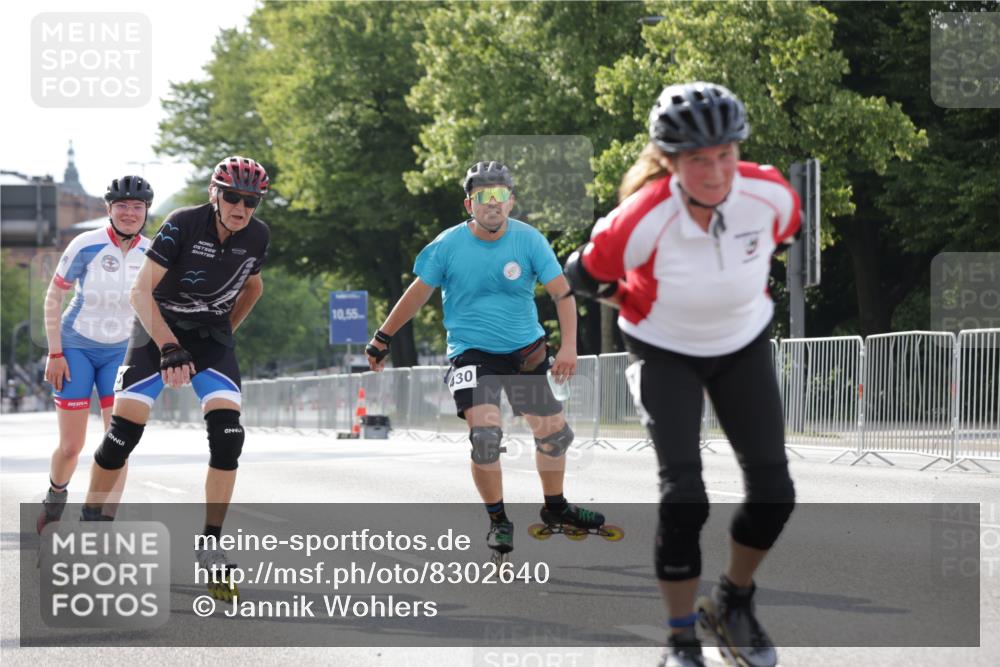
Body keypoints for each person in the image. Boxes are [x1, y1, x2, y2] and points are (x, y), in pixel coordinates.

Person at [563, 82, 800, 667]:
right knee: (685, 495)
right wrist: (636, 306)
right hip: (663, 349)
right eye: (698, 160)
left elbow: (785, 238)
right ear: (669, 161)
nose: (716, 172)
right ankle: (679, 642)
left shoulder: (770, 193)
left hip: (742, 344)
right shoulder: (641, 218)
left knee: (775, 492)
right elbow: (583, 274)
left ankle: (731, 602)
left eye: (726, 155)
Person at [366, 161, 607, 560]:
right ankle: (498, 520)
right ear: (469, 204)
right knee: (485, 436)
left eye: (500, 195)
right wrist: (382, 337)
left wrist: (569, 347)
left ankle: (556, 507)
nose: (492, 203)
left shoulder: (530, 241)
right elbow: (417, 294)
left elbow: (563, 294)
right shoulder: (446, 246)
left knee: (553, 432)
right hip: (472, 354)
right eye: (483, 196)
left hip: (525, 352)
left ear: (511, 201)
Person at [79, 156, 270, 585]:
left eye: (251, 201)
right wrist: (168, 345)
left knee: (228, 437)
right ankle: (91, 526)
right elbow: (139, 291)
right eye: (233, 197)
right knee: (120, 438)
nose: (241, 207)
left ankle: (210, 545)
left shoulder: (257, 235)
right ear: (214, 194)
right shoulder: (184, 223)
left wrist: (225, 330)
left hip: (209, 339)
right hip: (156, 330)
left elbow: (254, 285)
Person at [37, 175, 154, 532]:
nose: (130, 213)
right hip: (76, 347)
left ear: (146, 211)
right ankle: (56, 494)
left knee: (118, 441)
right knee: (72, 447)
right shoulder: (85, 244)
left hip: (121, 351)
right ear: (109, 209)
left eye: (137, 207)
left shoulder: (152, 251)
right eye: (122, 206)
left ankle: (102, 524)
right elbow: (54, 297)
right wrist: (55, 352)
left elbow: (160, 305)